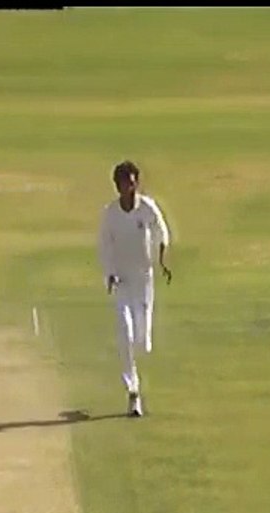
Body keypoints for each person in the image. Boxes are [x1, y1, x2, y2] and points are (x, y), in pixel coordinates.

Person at [96, 160, 172, 417]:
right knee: (125, 334)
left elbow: (162, 232)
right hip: (122, 281)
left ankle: (135, 373)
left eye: (131, 183)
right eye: (123, 183)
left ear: (136, 183)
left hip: (143, 280)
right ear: (117, 186)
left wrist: (162, 260)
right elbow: (104, 244)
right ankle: (133, 391)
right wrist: (109, 273)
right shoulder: (110, 213)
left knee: (142, 340)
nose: (128, 188)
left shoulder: (147, 208)